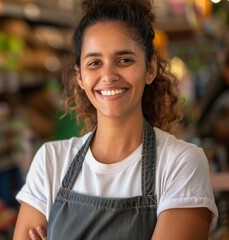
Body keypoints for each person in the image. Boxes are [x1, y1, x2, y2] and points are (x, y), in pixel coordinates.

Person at [13, 0, 218, 239]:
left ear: (150, 69)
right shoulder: (51, 162)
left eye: (124, 60)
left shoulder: (180, 164)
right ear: (80, 76)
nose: (108, 76)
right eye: (94, 63)